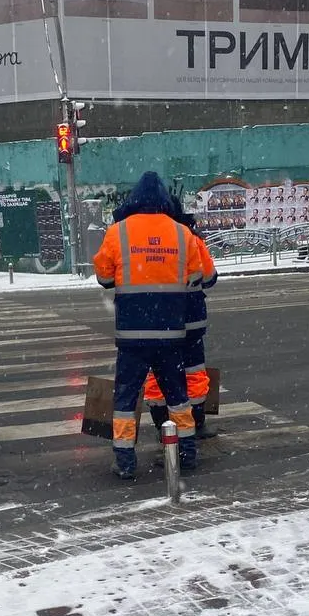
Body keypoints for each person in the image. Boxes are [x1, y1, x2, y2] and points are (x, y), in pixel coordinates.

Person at [93, 171, 204, 480]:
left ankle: (126, 461)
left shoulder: (118, 232)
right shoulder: (183, 233)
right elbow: (196, 278)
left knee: (126, 399)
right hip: (171, 334)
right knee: (177, 397)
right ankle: (187, 453)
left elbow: (104, 278)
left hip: (132, 336)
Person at [143, 212, 218, 440]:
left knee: (158, 374)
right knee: (194, 373)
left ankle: (163, 426)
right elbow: (209, 277)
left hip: (157, 322)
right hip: (191, 321)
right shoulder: (191, 239)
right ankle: (195, 424)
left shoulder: (146, 242)